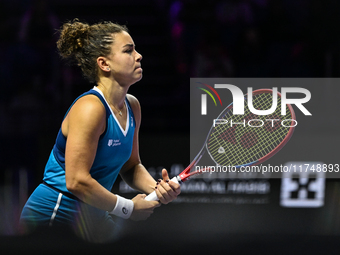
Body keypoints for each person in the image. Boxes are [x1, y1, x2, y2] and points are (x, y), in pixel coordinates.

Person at [20, 19, 181, 243]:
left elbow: (131, 166)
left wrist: (158, 188)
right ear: (104, 64)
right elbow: (76, 181)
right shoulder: (90, 108)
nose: (139, 55)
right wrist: (128, 208)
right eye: (128, 50)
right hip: (55, 216)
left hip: (94, 218)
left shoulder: (132, 106)